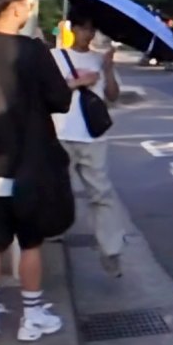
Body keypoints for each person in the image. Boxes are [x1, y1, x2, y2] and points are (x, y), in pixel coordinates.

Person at [0, 0, 77, 343]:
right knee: (31, 242)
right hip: (28, 162)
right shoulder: (33, 51)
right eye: (26, 4)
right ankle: (32, 315)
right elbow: (60, 100)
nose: (28, 10)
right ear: (12, 9)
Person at [55, 15, 124, 277]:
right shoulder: (55, 57)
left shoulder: (99, 59)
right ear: (72, 28)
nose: (88, 33)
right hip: (61, 133)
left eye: (92, 28)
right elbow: (44, 92)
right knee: (58, 192)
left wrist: (107, 69)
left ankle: (111, 250)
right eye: (83, 27)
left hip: (93, 136)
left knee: (102, 194)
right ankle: (53, 232)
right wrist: (77, 82)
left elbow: (113, 96)